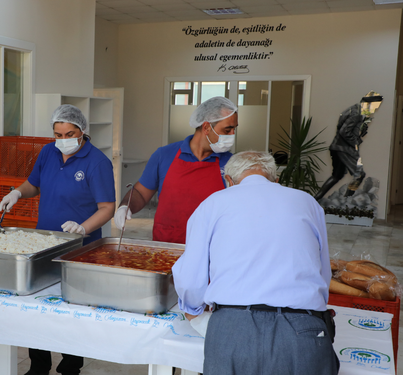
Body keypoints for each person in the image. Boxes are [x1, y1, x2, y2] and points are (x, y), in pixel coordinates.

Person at [172, 151, 339, 375]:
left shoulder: (213, 203)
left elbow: (191, 279)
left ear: (228, 181)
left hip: (232, 329)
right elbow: (322, 272)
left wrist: (192, 310)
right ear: (276, 180)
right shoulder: (307, 202)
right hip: (304, 329)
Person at [0, 104, 115, 375]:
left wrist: (83, 228)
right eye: (58, 134)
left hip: (79, 248)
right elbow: (34, 184)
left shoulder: (97, 162)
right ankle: (38, 365)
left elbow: (107, 207)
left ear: (82, 131)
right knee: (36, 306)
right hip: (44, 243)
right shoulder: (48, 152)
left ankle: (70, 366)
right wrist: (16, 192)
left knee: (71, 309)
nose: (63, 140)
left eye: (69, 134)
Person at [113, 96, 238, 244]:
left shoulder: (232, 163)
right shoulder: (164, 155)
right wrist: (125, 206)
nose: (232, 135)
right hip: (167, 245)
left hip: (211, 246)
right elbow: (141, 192)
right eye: (227, 130)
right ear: (206, 127)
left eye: (234, 129)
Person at [314, 91, 383, 200]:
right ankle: (347, 200)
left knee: (336, 176)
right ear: (367, 103)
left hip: (337, 147)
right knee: (359, 174)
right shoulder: (356, 113)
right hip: (344, 148)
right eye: (374, 107)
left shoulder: (356, 111)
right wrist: (355, 143)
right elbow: (344, 131)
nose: (374, 110)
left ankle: (315, 199)